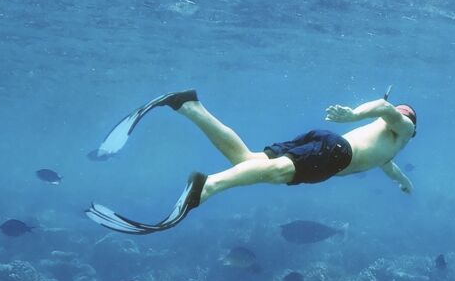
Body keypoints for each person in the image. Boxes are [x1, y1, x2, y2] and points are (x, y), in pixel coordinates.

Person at [85, 89, 416, 234]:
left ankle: (188, 106)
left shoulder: (390, 150)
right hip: (337, 153)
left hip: (327, 143)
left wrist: (404, 182)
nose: (399, 116)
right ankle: (208, 186)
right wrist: (354, 114)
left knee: (247, 160)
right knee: (273, 174)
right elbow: (387, 109)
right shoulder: (404, 127)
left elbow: (388, 167)